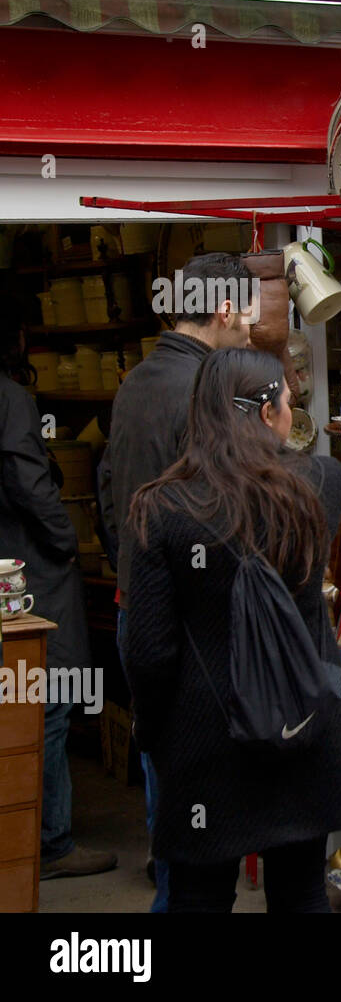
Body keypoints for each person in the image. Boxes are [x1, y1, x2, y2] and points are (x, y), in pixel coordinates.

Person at [122, 348, 341, 913]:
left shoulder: (159, 509)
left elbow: (146, 650)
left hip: (205, 737)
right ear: (267, 414)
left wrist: (152, 734)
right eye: (287, 402)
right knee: (302, 893)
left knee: (197, 895)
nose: (291, 414)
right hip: (302, 723)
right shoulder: (320, 483)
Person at [98, 251, 252, 911]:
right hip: (193, 623)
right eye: (246, 313)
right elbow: (230, 518)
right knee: (203, 805)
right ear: (222, 309)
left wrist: (132, 570)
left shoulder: (135, 381)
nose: (250, 329)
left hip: (140, 608)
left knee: (168, 778)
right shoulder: (207, 392)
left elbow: (108, 490)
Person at [0, 322, 117, 879]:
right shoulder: (11, 399)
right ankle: (49, 841)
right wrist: (66, 540)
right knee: (50, 697)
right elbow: (27, 479)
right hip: (28, 572)